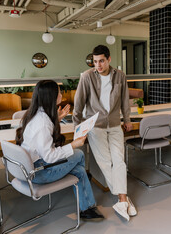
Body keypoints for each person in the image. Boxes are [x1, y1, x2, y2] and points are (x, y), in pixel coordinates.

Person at [15, 80, 104, 221]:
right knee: (79, 154)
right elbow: (50, 157)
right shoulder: (43, 123)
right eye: (59, 92)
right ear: (51, 97)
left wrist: (57, 118)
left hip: (31, 167)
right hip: (39, 172)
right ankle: (84, 190)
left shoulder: (36, 114)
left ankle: (85, 202)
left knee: (80, 171)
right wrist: (74, 144)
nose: (61, 95)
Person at [73, 45, 137, 221]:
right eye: (95, 62)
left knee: (119, 161)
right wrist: (78, 130)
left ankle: (121, 199)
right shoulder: (86, 77)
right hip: (96, 126)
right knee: (106, 162)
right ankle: (123, 198)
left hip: (115, 125)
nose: (98, 65)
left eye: (101, 61)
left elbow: (124, 100)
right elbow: (78, 105)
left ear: (109, 59)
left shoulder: (120, 76)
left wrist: (127, 119)